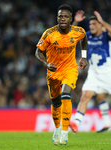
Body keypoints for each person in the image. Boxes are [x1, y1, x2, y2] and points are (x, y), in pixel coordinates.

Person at [35, 4, 88, 145]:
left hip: (70, 69)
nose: (62, 18)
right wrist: (46, 64)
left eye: (65, 16)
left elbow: (84, 39)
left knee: (66, 95)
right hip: (53, 71)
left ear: (71, 19)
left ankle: (65, 131)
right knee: (56, 103)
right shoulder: (49, 34)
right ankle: (57, 128)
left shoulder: (78, 31)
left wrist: (84, 57)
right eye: (60, 16)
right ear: (57, 18)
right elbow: (38, 52)